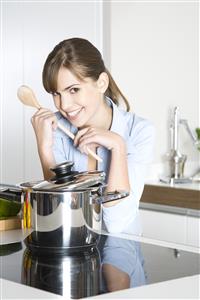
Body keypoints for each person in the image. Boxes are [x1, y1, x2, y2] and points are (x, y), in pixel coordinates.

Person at [31, 37, 155, 234]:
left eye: (73, 90)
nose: (64, 105)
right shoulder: (55, 128)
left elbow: (116, 225)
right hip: (73, 246)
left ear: (101, 83)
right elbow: (61, 216)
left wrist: (118, 146)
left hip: (122, 253)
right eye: (56, 93)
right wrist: (44, 149)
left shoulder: (139, 131)